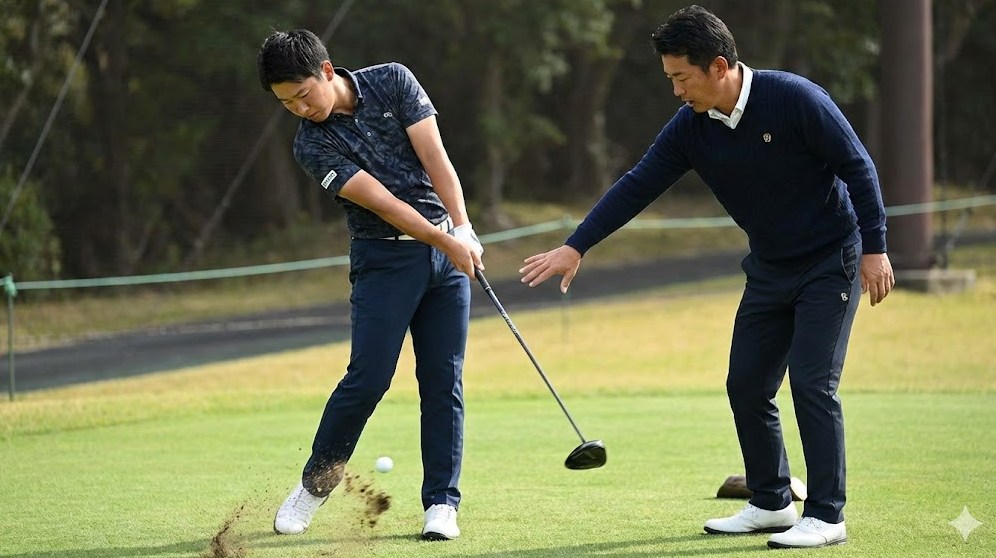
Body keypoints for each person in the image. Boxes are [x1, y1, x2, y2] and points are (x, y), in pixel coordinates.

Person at [519, 5, 894, 550]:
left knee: (813, 382)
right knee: (746, 383)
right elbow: (639, 183)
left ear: (719, 67)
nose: (676, 91)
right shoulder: (692, 128)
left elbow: (857, 165)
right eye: (670, 78)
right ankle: (770, 502)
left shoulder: (795, 98)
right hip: (769, 266)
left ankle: (827, 515)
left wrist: (875, 249)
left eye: (681, 78)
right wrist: (577, 246)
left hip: (829, 258)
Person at [256, 28, 484, 541]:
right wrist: (447, 240)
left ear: (327, 71)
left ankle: (442, 505)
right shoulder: (310, 145)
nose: (298, 108)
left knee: (443, 382)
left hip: (445, 256)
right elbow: (382, 202)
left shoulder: (393, 82)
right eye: (285, 103)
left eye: (302, 94)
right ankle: (314, 486)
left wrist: (462, 227)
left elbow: (435, 158)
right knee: (369, 377)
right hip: (384, 261)